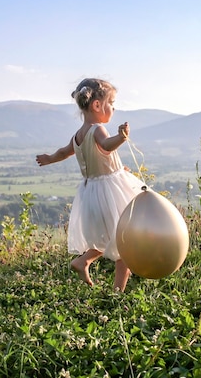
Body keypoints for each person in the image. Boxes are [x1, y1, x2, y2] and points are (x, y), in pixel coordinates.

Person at [36, 78, 145, 291]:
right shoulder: (98, 130)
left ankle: (83, 261)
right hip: (110, 191)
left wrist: (49, 158)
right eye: (111, 103)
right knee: (124, 241)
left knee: (107, 236)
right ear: (97, 105)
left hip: (91, 192)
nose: (113, 108)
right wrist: (121, 138)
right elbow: (106, 145)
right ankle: (117, 293)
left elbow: (63, 152)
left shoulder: (78, 135)